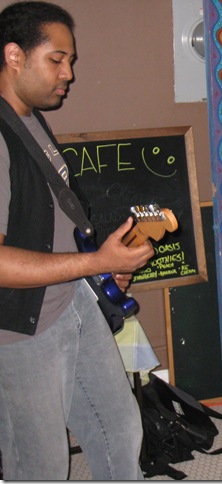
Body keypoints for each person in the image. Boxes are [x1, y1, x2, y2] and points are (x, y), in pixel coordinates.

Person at [0, 1, 155, 480]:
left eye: (70, 61)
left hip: (72, 303)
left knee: (120, 428)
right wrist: (95, 265)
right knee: (41, 467)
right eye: (57, 59)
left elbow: (48, 221)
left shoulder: (29, 118)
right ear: (14, 56)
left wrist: (103, 266)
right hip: (20, 332)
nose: (69, 73)